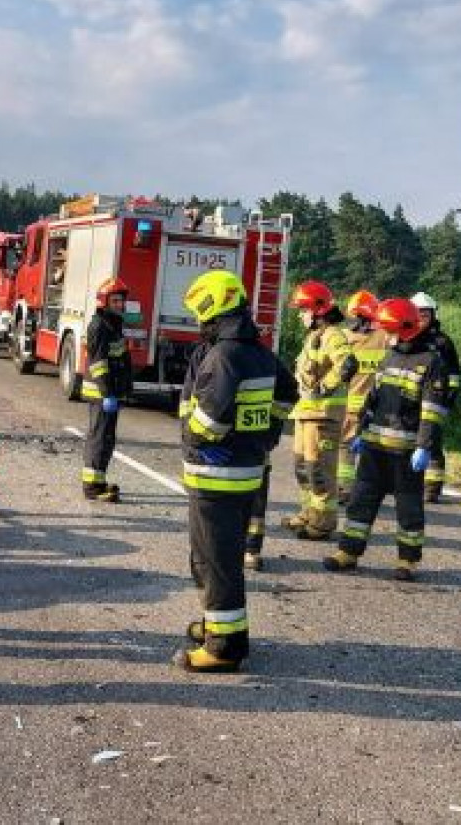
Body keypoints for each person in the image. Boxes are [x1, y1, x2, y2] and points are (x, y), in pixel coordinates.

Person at [174, 270, 295, 673]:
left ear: (212, 307)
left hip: (215, 476)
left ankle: (224, 647)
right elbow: (287, 392)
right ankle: (217, 625)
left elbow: (209, 421)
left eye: (199, 313)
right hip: (243, 473)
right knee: (218, 557)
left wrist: (195, 440)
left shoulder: (224, 356)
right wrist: (265, 436)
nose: (197, 322)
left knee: (215, 561)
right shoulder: (258, 351)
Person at [324, 298, 448, 581]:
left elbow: (432, 412)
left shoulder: (431, 362)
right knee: (360, 501)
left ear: (404, 328)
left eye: (389, 330)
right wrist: (361, 432)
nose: (385, 336)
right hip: (374, 447)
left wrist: (424, 447)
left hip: (406, 452)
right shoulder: (389, 356)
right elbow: (374, 398)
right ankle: (349, 552)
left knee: (409, 509)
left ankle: (408, 560)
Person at [281, 281, 357, 540]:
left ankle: (323, 523)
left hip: (324, 415)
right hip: (307, 413)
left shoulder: (333, 335)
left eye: (303, 310)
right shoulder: (315, 336)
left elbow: (348, 364)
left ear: (318, 310)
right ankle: (308, 513)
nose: (301, 315)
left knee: (319, 470)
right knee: (302, 467)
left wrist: (326, 387)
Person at [80, 277, 132, 503]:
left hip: (112, 391)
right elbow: (98, 363)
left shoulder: (114, 324)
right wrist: (108, 392)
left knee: (107, 438)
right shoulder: (99, 326)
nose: (120, 304)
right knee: (99, 437)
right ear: (105, 301)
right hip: (101, 392)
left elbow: (120, 357)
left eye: (121, 300)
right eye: (116, 300)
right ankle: (91, 487)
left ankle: (99, 481)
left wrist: (126, 386)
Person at [410, 292, 461, 502]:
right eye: (417, 313)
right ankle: (408, 482)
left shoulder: (443, 342)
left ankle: (431, 488)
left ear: (433, 314)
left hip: (434, 400)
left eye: (425, 313)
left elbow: (454, 375)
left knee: (432, 441)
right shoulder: (407, 338)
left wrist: (448, 400)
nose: (421, 317)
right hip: (410, 398)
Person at [337, 290, 389, 505]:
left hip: (351, 406)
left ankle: (345, 489)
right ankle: (371, 490)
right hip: (379, 407)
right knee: (374, 449)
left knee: (346, 448)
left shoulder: (345, 338)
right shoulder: (384, 338)